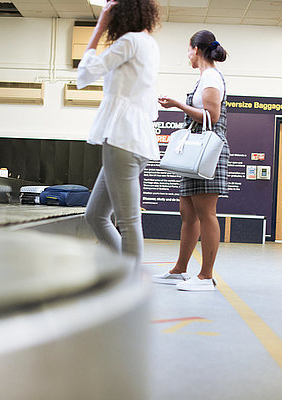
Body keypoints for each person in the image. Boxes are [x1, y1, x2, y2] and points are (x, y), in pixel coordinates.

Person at [77, 0, 160, 269]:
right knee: (96, 215)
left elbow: (87, 72)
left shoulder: (130, 42)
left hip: (122, 139)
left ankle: (131, 285)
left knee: (128, 220)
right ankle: (123, 271)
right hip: (135, 139)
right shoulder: (148, 44)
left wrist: (100, 25)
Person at [154, 30, 229, 291]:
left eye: (188, 50)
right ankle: (180, 269)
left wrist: (178, 104)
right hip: (195, 153)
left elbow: (212, 115)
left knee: (206, 213)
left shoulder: (211, 77)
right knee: (188, 212)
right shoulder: (204, 78)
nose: (187, 55)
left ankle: (206, 276)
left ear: (196, 49)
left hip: (206, 152)